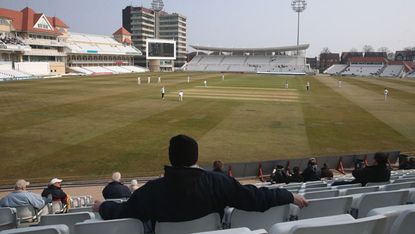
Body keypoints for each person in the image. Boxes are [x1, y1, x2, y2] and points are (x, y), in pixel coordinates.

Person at [94, 135, 308, 231]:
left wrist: (102, 205)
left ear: (171, 158)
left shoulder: (151, 190)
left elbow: (123, 212)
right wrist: (288, 195)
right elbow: (254, 198)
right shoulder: (218, 182)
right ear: (195, 158)